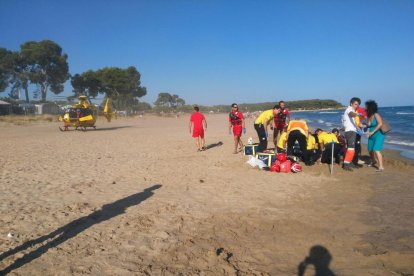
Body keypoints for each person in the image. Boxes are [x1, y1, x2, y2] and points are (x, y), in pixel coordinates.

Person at [341, 97, 363, 171]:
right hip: (350, 132)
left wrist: (358, 128)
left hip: (351, 131)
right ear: (351, 103)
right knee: (351, 149)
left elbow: (352, 122)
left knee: (351, 149)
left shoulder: (352, 110)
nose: (356, 106)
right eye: (355, 104)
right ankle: (346, 165)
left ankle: (349, 162)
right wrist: (357, 114)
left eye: (358, 105)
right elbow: (351, 114)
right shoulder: (349, 109)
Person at [365, 100, 385, 172]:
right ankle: (373, 161)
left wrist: (373, 131)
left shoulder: (376, 115)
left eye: (366, 106)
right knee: (370, 149)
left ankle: (381, 167)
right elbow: (367, 125)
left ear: (370, 107)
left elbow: (380, 124)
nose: (365, 108)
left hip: (378, 134)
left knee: (376, 149)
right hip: (371, 134)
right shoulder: (369, 116)